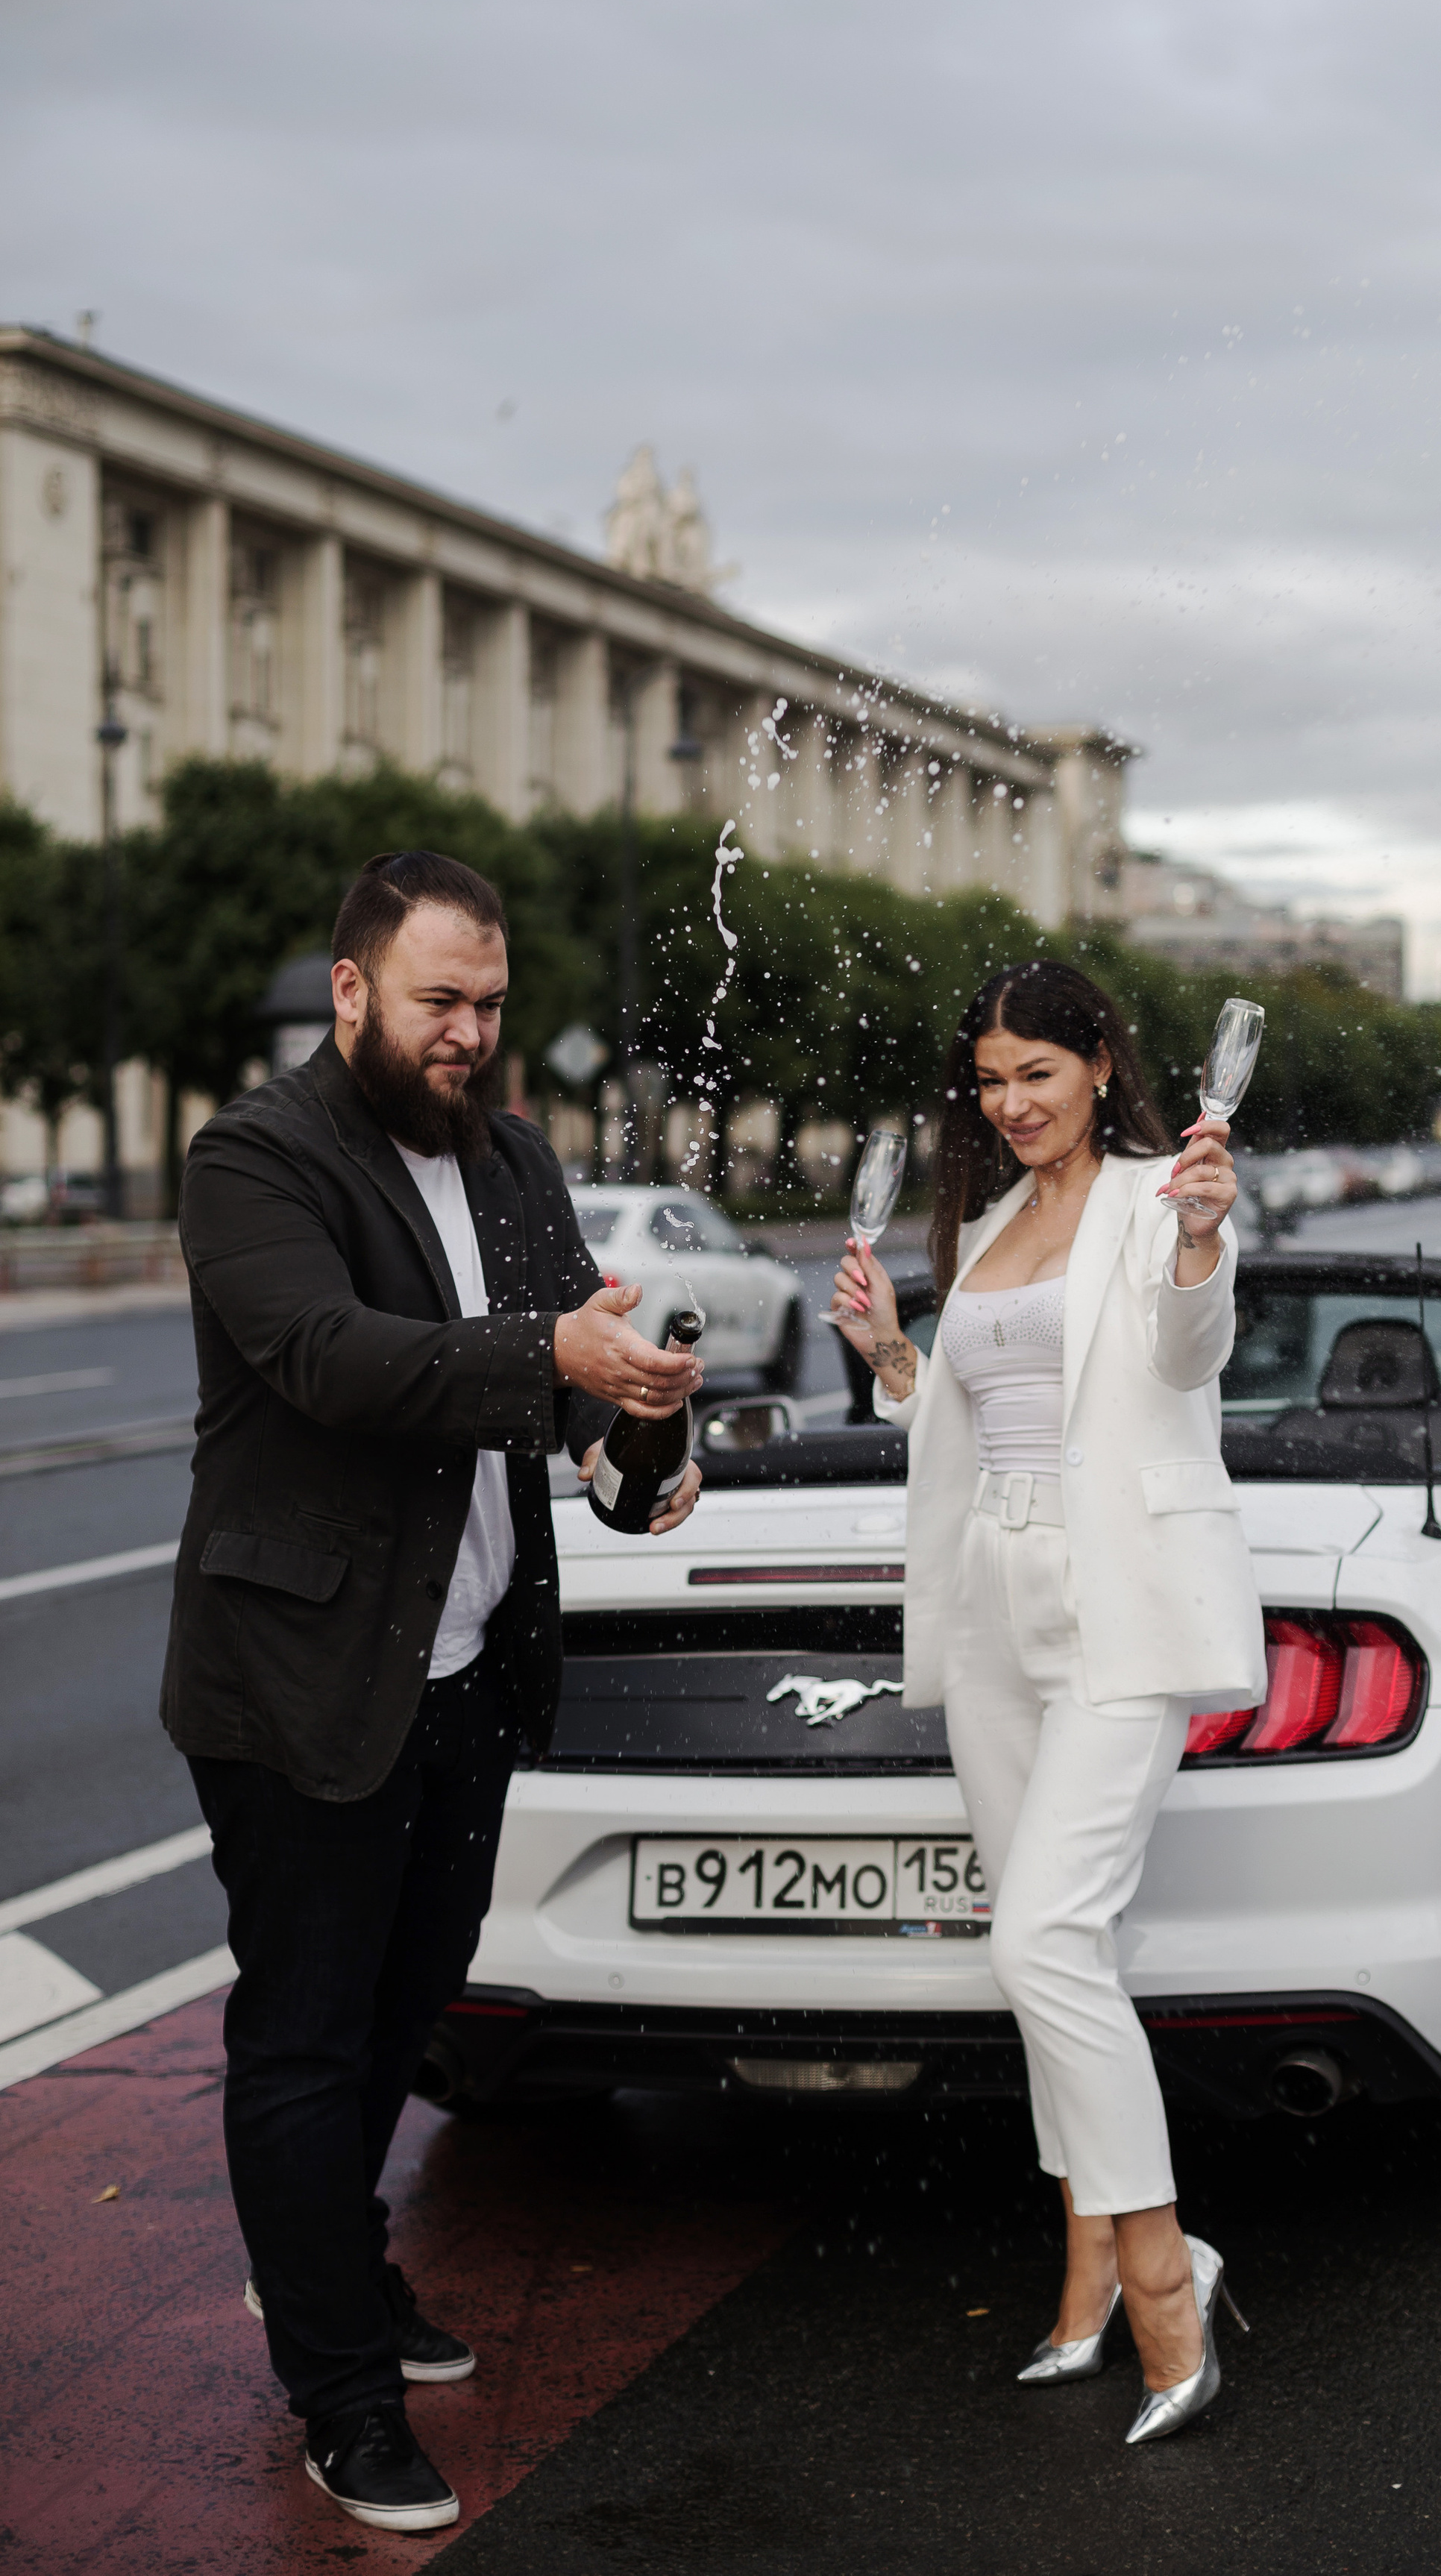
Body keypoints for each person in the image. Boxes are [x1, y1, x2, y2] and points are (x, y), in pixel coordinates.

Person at [162, 849, 706, 2536]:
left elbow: (567, 1375)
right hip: (300, 1678)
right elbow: (332, 1360)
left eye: (491, 1003)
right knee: (307, 2038)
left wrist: (636, 1429)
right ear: (352, 990)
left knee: (407, 2017)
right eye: (437, 1001)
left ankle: (336, 2268)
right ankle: (340, 2393)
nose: (469, 1033)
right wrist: (551, 1358)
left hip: (468, 1665)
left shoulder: (514, 1157)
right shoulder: (256, 1157)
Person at [832, 958, 1264, 2446]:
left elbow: (1186, 1355)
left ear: (1097, 1065)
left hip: (1118, 1602)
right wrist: (895, 1357)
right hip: (995, 1607)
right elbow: (972, 1423)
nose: (1010, 1103)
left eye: (1037, 1073)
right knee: (1038, 1965)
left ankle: (1164, 2277)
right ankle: (1083, 2256)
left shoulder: (1164, 1198)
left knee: (1043, 1938)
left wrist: (1202, 1243)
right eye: (989, 1080)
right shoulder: (988, 1224)